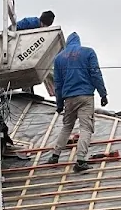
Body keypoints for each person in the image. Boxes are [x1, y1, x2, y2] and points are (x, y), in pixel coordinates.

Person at [46, 32, 108, 173]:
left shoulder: (59, 58)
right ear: (78, 42)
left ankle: (55, 156)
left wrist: (59, 104)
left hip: (69, 98)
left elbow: (58, 83)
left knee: (67, 126)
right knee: (86, 128)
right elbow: (95, 73)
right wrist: (102, 94)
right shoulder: (88, 52)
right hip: (85, 96)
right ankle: (80, 161)